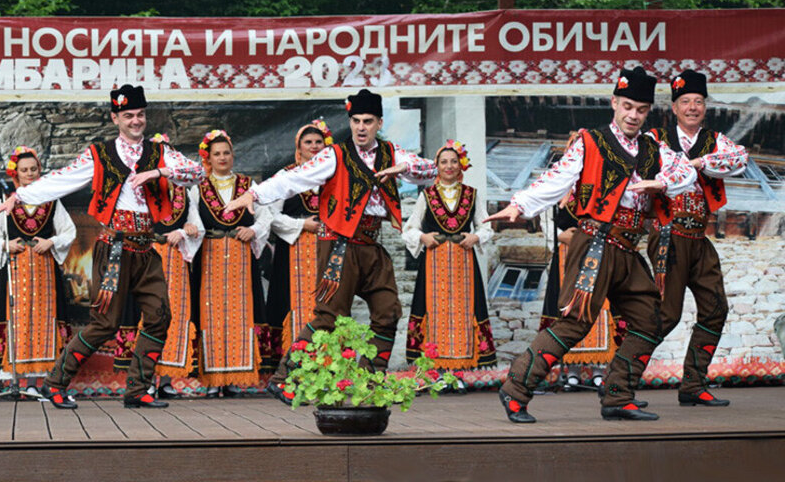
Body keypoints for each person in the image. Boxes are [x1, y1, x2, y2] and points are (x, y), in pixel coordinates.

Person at [485, 66, 695, 423]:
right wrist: (519, 206)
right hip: (595, 244)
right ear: (614, 103)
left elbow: (687, 173)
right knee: (574, 323)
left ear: (648, 112)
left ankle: (617, 395)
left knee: (649, 320)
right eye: (627, 106)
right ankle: (516, 388)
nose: (633, 115)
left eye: (641, 110)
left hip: (628, 250)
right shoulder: (590, 142)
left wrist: (659, 184)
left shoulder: (653, 148)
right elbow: (555, 179)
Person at [0, 84, 203, 409]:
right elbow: (61, 178)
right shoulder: (99, 154)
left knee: (160, 316)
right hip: (114, 248)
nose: (136, 121)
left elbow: (196, 172)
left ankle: (137, 389)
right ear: (116, 118)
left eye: (140, 115)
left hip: (146, 249)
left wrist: (157, 172)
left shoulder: (160, 153)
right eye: (128, 115)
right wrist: (18, 197)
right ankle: (55, 383)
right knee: (105, 323)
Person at [226, 89, 437, 404]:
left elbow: (430, 169)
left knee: (388, 311)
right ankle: (284, 378)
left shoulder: (393, 154)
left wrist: (403, 169)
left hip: (371, 244)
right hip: (338, 244)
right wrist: (253, 196)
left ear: (379, 122)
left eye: (367, 121)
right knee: (328, 316)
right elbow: (292, 180)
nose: (361, 127)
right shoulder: (334, 155)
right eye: (355, 121)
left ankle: (368, 381)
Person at [647, 69, 747, 407]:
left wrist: (702, 161)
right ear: (673, 107)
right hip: (667, 235)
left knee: (716, 307)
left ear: (705, 106)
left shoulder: (714, 140)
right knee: (666, 314)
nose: (692, 107)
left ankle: (692, 384)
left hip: (698, 236)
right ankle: (620, 382)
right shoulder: (655, 138)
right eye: (686, 102)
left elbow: (740, 158)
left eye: (698, 102)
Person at [0, 145, 76, 398]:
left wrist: (52, 242)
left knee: (43, 321)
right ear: (16, 174)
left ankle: (36, 381)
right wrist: (5, 244)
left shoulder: (51, 202)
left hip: (44, 270)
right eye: (24, 170)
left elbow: (69, 232)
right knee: (19, 322)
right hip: (16, 271)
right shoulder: (5, 202)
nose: (30, 174)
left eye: (33, 169)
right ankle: (18, 381)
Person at [187, 129, 271, 395]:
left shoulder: (249, 186)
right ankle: (212, 380)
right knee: (210, 314)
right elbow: (194, 220)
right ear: (208, 158)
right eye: (217, 154)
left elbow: (266, 216)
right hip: (210, 254)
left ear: (233, 155)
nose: (222, 157)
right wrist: (196, 233)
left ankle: (237, 377)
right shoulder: (198, 188)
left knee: (240, 313)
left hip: (240, 255)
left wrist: (254, 231)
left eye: (226, 153)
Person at [402, 140, 496, 379]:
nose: (449, 166)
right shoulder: (427, 196)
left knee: (464, 310)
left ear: (461, 165)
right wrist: (422, 237)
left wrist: (476, 237)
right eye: (444, 162)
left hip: (464, 263)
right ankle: (436, 369)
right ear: (437, 166)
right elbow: (409, 228)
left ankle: (462, 369)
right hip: (435, 263)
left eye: (454, 161)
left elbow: (486, 227)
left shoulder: (472, 195)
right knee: (434, 310)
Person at [537, 195, 621, 389]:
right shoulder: (559, 188)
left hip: (597, 248)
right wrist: (559, 235)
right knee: (570, 305)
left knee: (598, 306)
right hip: (567, 251)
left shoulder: (599, 185)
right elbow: (545, 219)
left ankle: (599, 370)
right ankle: (572, 371)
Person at [266, 120, 331, 365]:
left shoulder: (332, 176)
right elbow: (270, 215)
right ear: (299, 147)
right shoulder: (286, 176)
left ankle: (327, 363)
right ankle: (290, 363)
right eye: (308, 142)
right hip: (292, 253)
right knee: (289, 302)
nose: (314, 147)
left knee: (328, 303)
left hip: (326, 251)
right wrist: (302, 225)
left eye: (318, 142)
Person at [147, 134, 201, 397]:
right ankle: (145, 378)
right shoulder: (139, 185)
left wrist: (185, 230)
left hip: (176, 258)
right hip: (146, 255)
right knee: (147, 314)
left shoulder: (185, 188)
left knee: (175, 315)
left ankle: (167, 380)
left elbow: (195, 224)